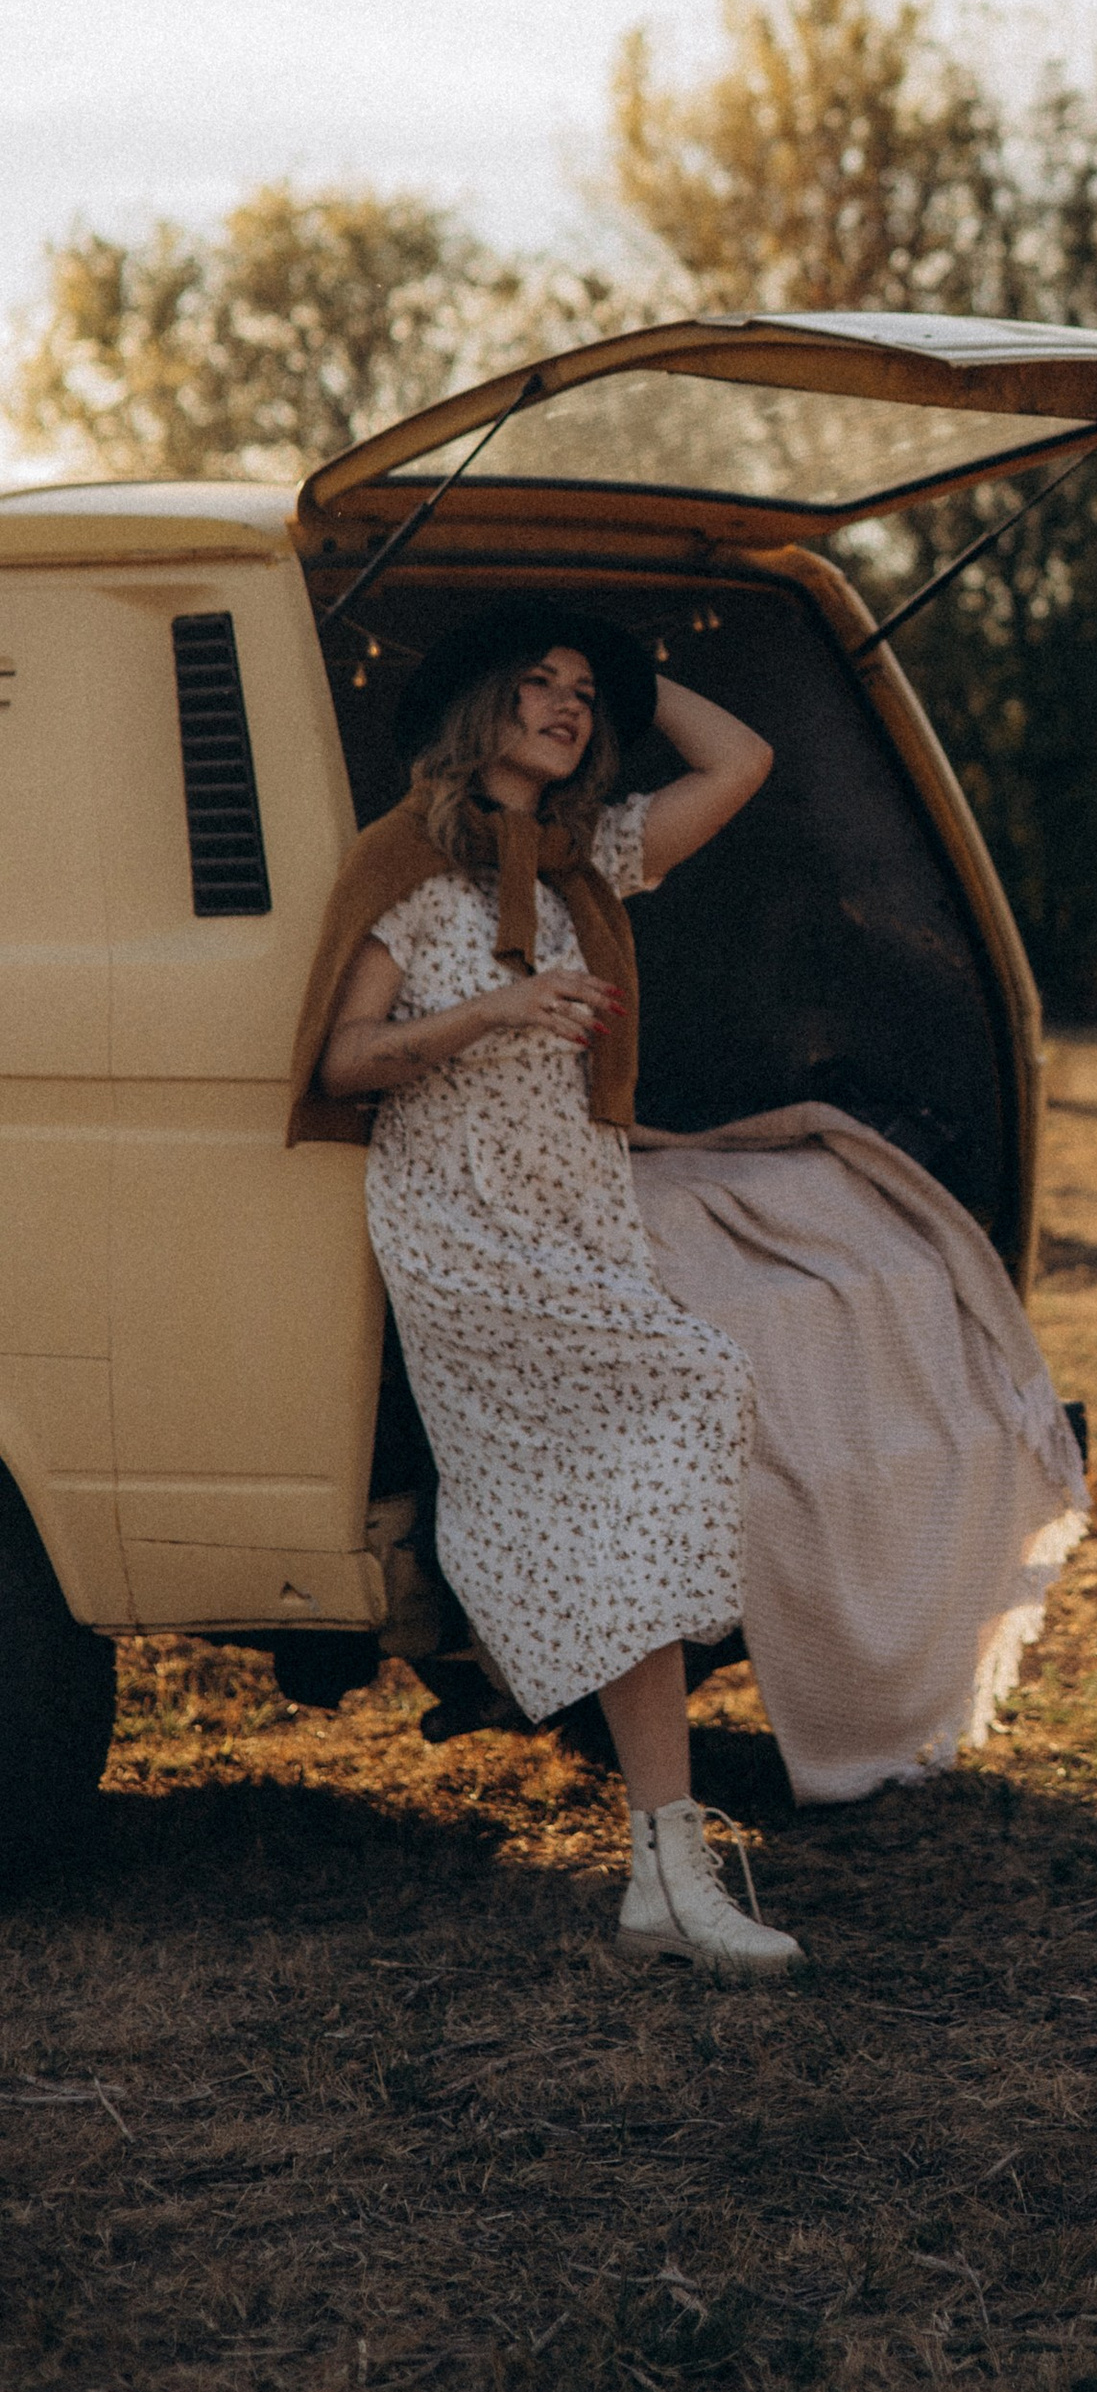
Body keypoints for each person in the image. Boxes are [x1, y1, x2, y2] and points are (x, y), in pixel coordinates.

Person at [288, 600, 801, 1978]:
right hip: (460, 1228)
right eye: (542, 685)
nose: (569, 708)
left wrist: (641, 674)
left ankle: (662, 1866)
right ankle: (650, 1833)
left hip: (578, 1218)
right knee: (693, 1382)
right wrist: (492, 1014)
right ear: (482, 710)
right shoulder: (408, 869)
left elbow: (740, 762)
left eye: (587, 696)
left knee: (620, 1513)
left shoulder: (588, 864)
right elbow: (341, 1061)